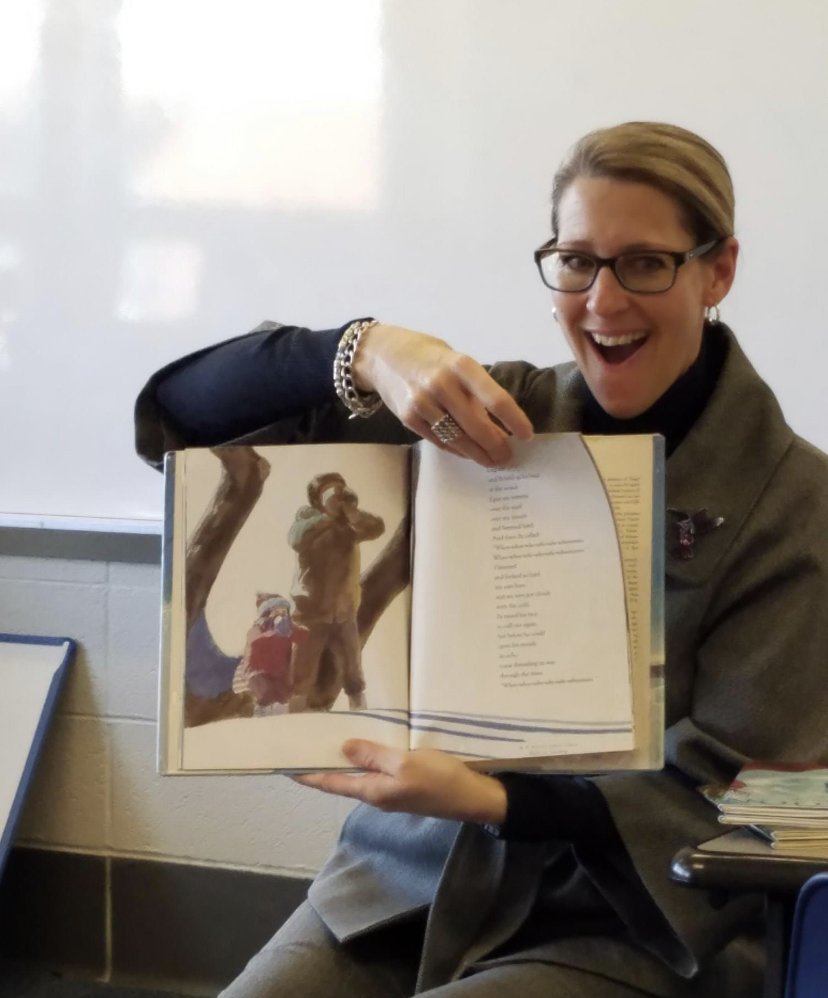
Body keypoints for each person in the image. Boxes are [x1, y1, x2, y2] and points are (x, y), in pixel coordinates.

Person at [135, 122, 828, 997]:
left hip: (632, 928)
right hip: (404, 885)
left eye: (645, 263)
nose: (603, 303)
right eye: (577, 261)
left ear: (717, 270)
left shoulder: (797, 502)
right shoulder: (488, 418)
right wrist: (369, 348)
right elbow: (185, 419)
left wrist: (493, 799)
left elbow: (761, 802)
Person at [287, 471, 385, 713]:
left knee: (352, 668)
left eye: (340, 489)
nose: (336, 495)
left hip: (344, 610)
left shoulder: (350, 524)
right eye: (330, 491)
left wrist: (351, 512)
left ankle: (359, 711)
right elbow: (296, 539)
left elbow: (376, 528)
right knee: (302, 670)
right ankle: (293, 717)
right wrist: (328, 516)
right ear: (317, 497)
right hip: (310, 610)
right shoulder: (307, 516)